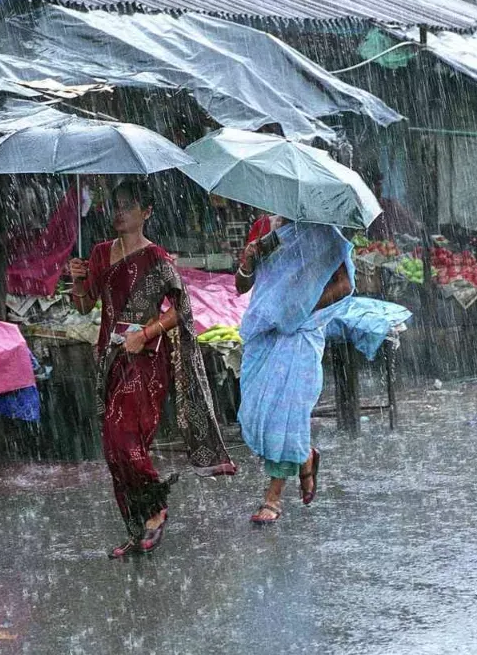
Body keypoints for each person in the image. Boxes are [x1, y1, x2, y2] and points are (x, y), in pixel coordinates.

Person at [69, 180, 237, 558]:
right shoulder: (98, 254)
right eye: (115, 205)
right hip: (109, 359)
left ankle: (156, 507)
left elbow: (182, 311)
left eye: (128, 206)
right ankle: (136, 529)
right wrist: (78, 280)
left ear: (146, 213)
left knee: (124, 436)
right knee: (113, 450)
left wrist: (144, 333)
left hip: (145, 361)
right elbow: (83, 306)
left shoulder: (156, 258)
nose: (119, 212)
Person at [235, 218, 354, 523]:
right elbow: (242, 286)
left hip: (301, 334)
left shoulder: (325, 233)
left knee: (285, 415)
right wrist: (248, 260)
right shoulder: (264, 230)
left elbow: (345, 284)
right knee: (255, 412)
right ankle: (304, 457)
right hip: (264, 334)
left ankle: (273, 497)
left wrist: (303, 308)